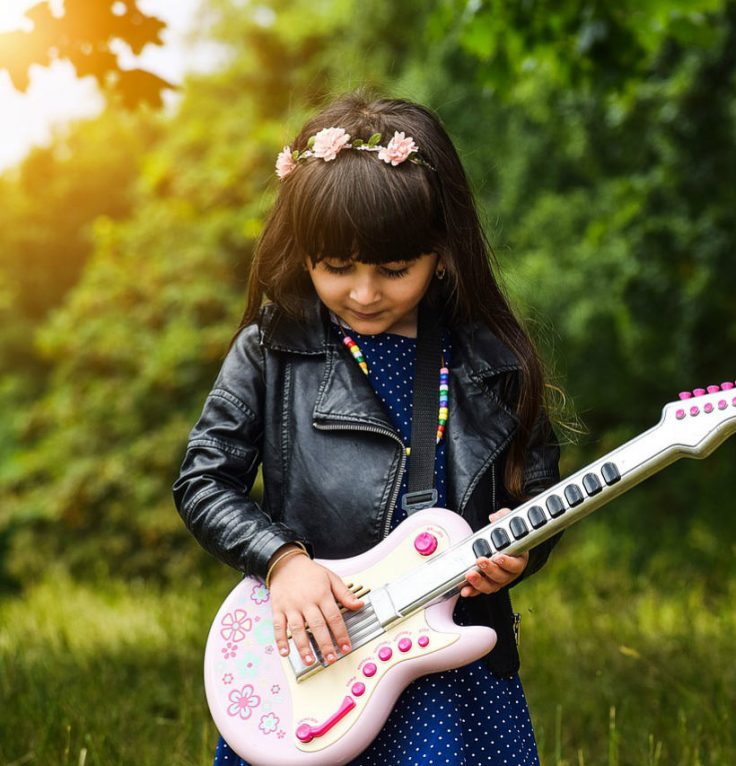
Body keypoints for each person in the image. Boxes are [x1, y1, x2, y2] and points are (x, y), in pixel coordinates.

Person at [172, 90, 562, 766]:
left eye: (393, 269)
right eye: (336, 267)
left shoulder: (489, 357)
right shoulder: (272, 348)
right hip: (320, 650)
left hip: (451, 669)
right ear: (304, 253)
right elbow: (205, 479)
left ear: (441, 251)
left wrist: (523, 549)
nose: (363, 293)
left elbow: (538, 486)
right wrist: (282, 561)